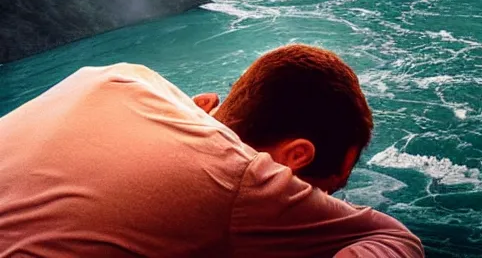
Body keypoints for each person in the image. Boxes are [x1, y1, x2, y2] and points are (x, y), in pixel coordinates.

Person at [0, 44, 424, 257]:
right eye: (324, 191)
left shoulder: (121, 77)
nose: (316, 204)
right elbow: (395, 239)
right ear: (297, 157)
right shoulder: (245, 178)